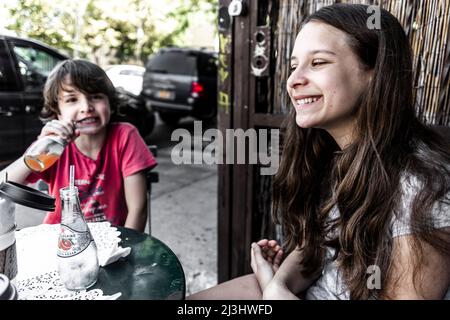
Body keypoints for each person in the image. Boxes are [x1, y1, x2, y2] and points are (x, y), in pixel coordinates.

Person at [188, 3, 450, 300]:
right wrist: (276, 282)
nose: (294, 80)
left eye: (318, 63)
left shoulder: (424, 186)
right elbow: (316, 248)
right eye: (293, 65)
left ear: (374, 74)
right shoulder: (331, 154)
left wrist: (278, 295)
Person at [0, 59, 157, 232]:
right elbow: (3, 184)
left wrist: (126, 252)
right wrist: (40, 149)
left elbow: (138, 209)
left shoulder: (125, 136)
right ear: (57, 112)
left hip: (112, 241)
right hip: (60, 242)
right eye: (72, 99)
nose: (86, 107)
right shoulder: (53, 148)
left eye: (96, 97)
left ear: (110, 103)